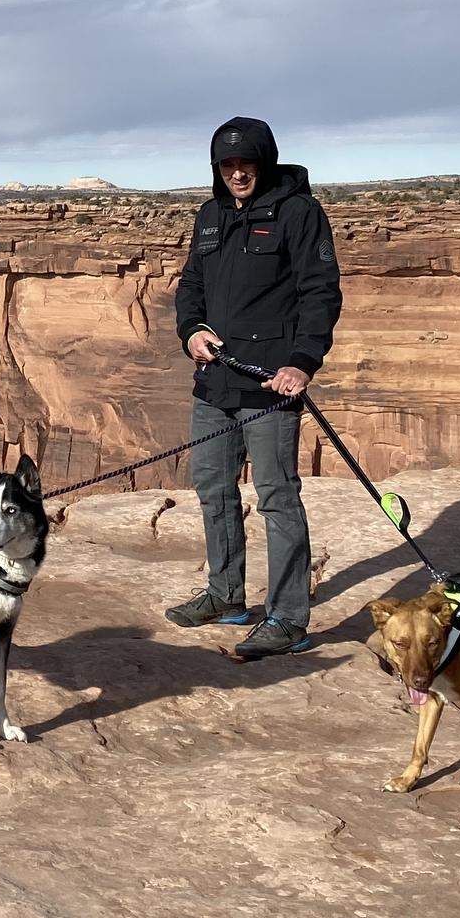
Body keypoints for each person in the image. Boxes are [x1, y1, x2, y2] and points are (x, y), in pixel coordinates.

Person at [165, 116, 344, 658]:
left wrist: (302, 362)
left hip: (269, 384)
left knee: (277, 498)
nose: (237, 173)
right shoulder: (211, 215)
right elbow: (191, 286)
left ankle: (288, 618)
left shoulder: (298, 213)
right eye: (228, 164)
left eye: (246, 163)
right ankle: (226, 595)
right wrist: (190, 331)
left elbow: (321, 292)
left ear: (263, 162)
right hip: (214, 381)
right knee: (213, 490)